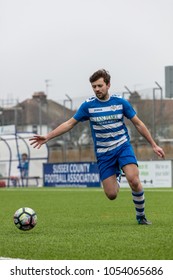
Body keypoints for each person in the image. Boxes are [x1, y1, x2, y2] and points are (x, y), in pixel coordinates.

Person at [29, 69, 165, 225]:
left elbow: (138, 124)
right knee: (112, 195)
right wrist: (48, 136)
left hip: (122, 146)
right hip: (104, 153)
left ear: (108, 85)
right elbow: (69, 123)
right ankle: (117, 173)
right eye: (94, 86)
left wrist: (153, 145)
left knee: (134, 180)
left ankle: (141, 216)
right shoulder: (88, 106)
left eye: (100, 85)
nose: (97, 89)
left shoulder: (120, 103)